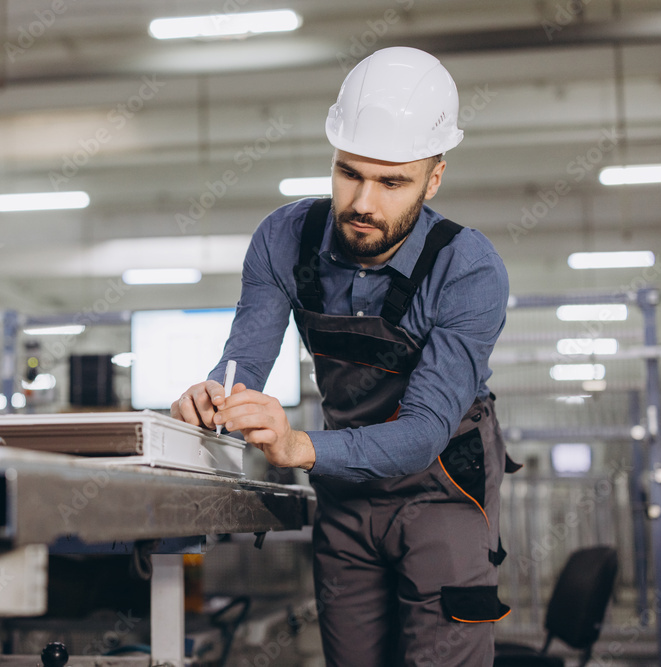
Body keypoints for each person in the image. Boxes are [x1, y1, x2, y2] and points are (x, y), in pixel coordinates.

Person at [171, 46, 519, 666]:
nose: (363, 202)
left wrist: (297, 447)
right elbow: (243, 361)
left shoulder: (469, 269)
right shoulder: (283, 239)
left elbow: (420, 433)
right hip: (346, 490)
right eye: (349, 173)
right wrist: (217, 396)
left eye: (392, 183)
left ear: (433, 178)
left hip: (441, 489)